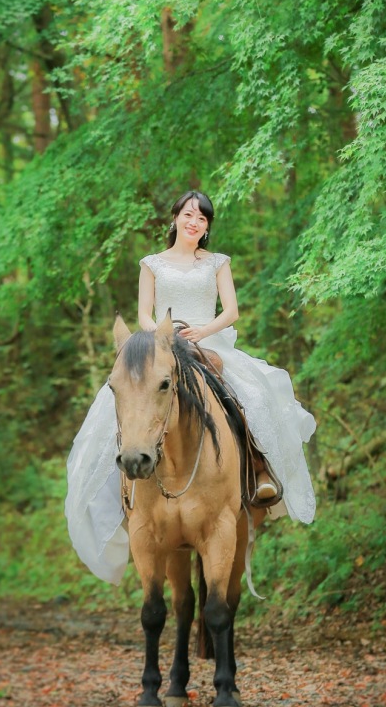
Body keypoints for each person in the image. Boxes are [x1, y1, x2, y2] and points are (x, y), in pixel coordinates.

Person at [64, 190, 316, 585]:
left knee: (244, 395)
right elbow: (144, 314)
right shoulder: (152, 264)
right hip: (161, 344)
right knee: (124, 405)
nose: (194, 222)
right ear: (176, 218)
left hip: (207, 340)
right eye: (188, 214)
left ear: (207, 227)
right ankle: (120, 490)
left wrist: (203, 330)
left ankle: (258, 468)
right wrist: (165, 336)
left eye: (202, 218)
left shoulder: (217, 263)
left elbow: (231, 310)